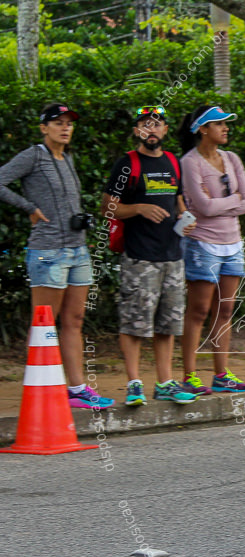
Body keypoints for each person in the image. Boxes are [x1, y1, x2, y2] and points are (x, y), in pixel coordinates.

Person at [0, 103, 115, 410]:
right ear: (43, 127)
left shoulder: (68, 158)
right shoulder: (33, 156)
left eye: (69, 123)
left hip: (78, 249)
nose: (65, 128)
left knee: (74, 320)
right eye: (58, 123)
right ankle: (40, 392)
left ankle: (76, 389)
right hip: (48, 250)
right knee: (44, 323)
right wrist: (29, 209)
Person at [101, 106, 198, 406]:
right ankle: (133, 384)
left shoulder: (173, 162)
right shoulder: (126, 164)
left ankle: (165, 383)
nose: (151, 130)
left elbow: (177, 197)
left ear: (165, 130)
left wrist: (185, 216)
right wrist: (139, 209)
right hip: (140, 257)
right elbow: (107, 207)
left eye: (157, 124)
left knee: (167, 324)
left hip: (172, 256)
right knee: (134, 323)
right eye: (145, 125)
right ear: (136, 131)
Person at [177, 105, 245, 394]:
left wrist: (222, 203)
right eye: (218, 123)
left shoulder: (232, 158)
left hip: (233, 245)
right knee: (198, 310)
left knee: (226, 309)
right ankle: (189, 376)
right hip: (202, 245)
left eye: (226, 123)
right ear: (202, 129)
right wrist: (230, 201)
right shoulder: (189, 162)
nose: (225, 128)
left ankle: (221, 374)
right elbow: (202, 206)